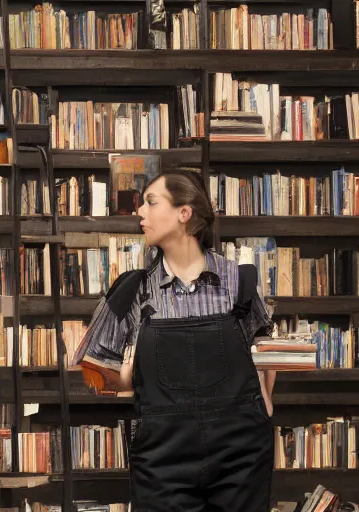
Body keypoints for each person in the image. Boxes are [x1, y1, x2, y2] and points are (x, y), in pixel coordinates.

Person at [73, 168, 277, 511]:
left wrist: (266, 401)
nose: (140, 212)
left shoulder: (237, 281)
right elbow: (91, 367)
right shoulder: (134, 290)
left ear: (184, 214)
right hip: (162, 459)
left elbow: (265, 348)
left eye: (151, 202)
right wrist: (125, 378)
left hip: (241, 455)